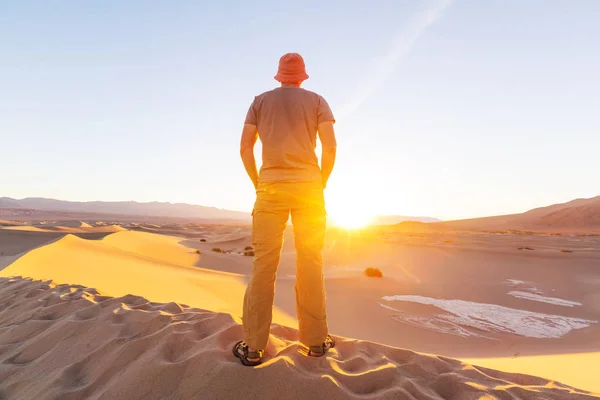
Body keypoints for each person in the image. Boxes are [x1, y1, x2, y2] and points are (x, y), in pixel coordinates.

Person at [233, 53, 337, 366]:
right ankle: (316, 343)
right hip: (308, 189)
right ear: (303, 76)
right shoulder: (317, 101)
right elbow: (330, 147)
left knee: (264, 265)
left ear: (278, 76)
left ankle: (253, 347)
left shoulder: (260, 102)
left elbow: (244, 148)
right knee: (310, 261)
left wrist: (258, 181)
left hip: (270, 189)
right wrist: (321, 182)